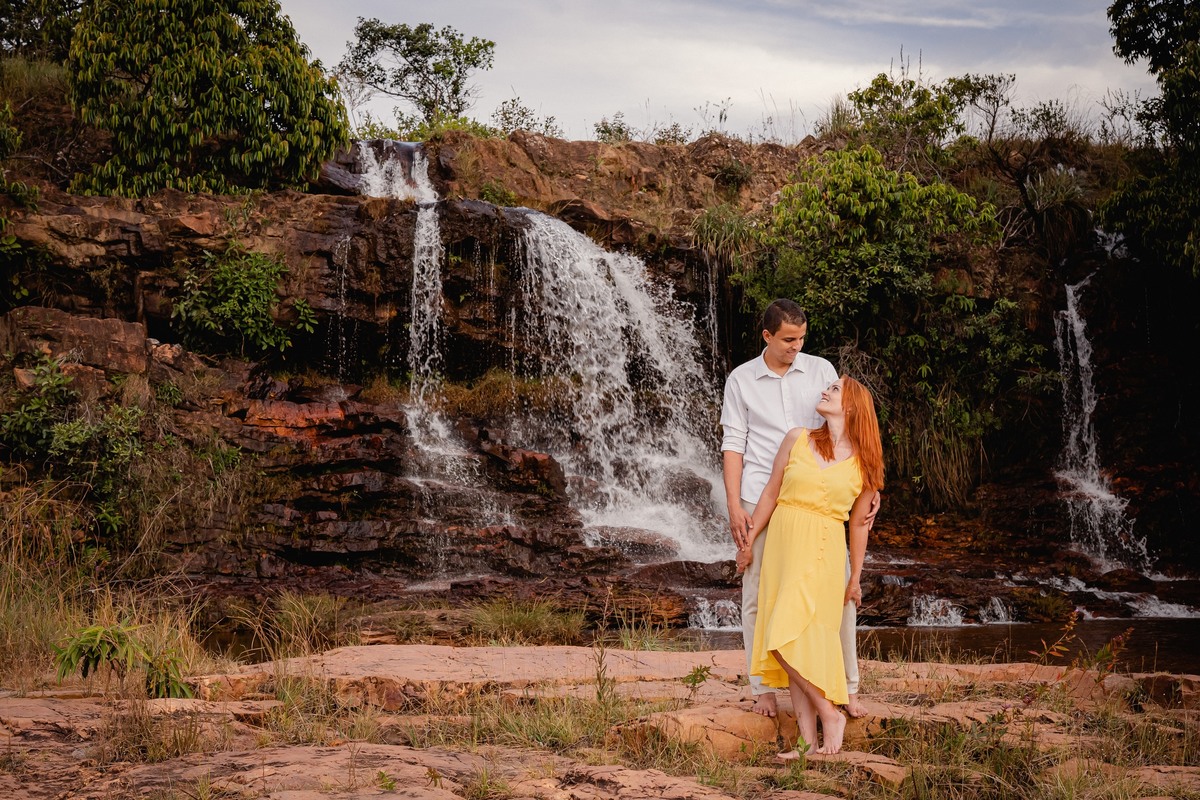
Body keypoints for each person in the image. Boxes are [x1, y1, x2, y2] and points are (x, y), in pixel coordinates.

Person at [720, 299, 875, 720]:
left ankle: (846, 684)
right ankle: (763, 688)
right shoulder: (741, 380)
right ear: (767, 337)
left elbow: (847, 426)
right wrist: (734, 505)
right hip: (761, 495)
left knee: (835, 595)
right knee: (757, 594)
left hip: (816, 494)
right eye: (789, 339)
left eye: (802, 337)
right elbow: (734, 444)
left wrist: (866, 487)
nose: (796, 346)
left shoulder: (821, 370)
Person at [740, 376, 884, 756]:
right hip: (783, 548)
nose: (825, 392)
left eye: (834, 390)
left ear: (851, 407)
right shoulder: (797, 438)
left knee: (787, 637)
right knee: (787, 640)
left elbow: (857, 524)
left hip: (823, 551)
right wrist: (750, 540)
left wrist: (855, 577)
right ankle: (808, 742)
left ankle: (829, 714)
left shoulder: (865, 465)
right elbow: (770, 492)